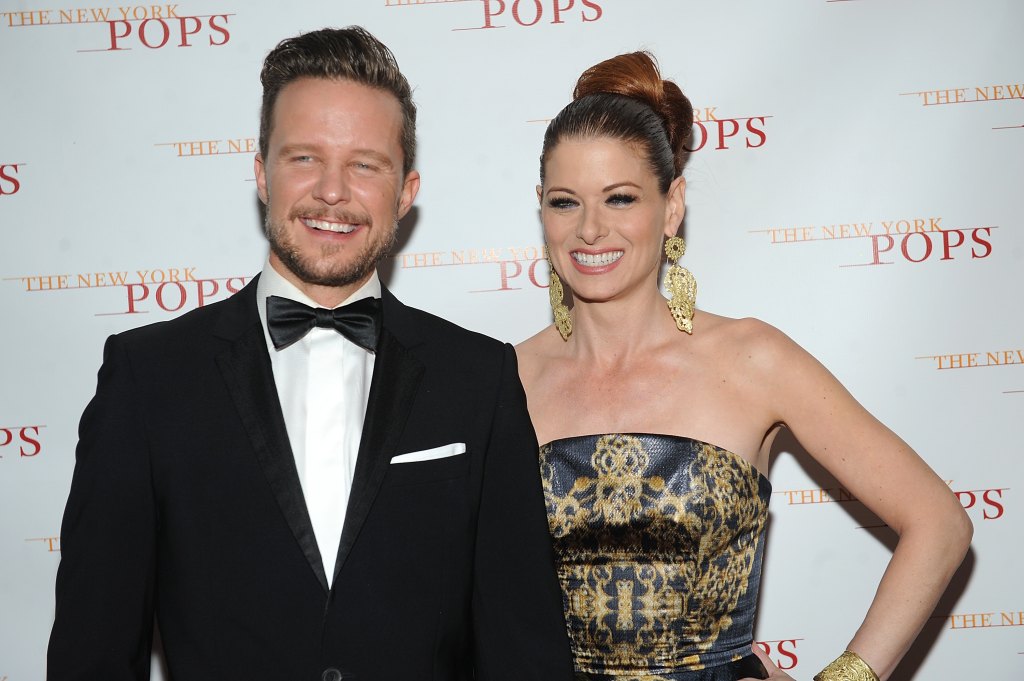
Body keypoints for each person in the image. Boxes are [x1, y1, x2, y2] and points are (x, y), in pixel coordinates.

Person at [47, 26, 573, 681]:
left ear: (406, 191)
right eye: (303, 158)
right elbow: (91, 654)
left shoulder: (479, 378)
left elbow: (527, 656)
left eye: (364, 164)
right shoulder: (149, 377)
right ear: (262, 172)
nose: (331, 190)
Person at [515, 51, 972, 681]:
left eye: (620, 198)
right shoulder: (502, 380)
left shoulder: (753, 360)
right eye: (566, 202)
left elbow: (939, 523)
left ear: (671, 205)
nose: (591, 229)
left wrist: (846, 677)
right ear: (541, 208)